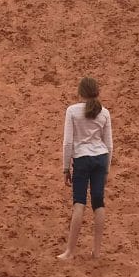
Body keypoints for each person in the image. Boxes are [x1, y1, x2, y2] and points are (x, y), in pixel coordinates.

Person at [59, 77, 113, 261]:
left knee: (79, 203)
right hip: (100, 158)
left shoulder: (72, 111)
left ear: (80, 92)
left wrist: (66, 167)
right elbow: (109, 144)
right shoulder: (104, 112)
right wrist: (106, 169)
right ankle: (97, 252)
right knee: (98, 203)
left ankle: (70, 251)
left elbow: (68, 142)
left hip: (82, 159)